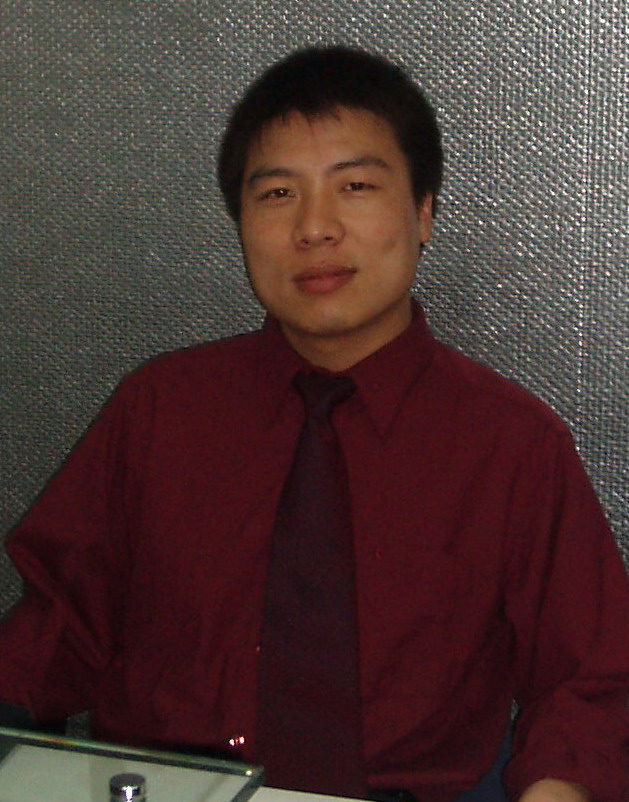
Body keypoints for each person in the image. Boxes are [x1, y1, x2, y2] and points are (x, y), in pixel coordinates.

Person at [1, 46, 628, 802]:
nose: (315, 228)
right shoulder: (160, 410)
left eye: (355, 186)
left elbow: (591, 680)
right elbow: (59, 624)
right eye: (276, 194)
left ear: (423, 211)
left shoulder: (511, 444)